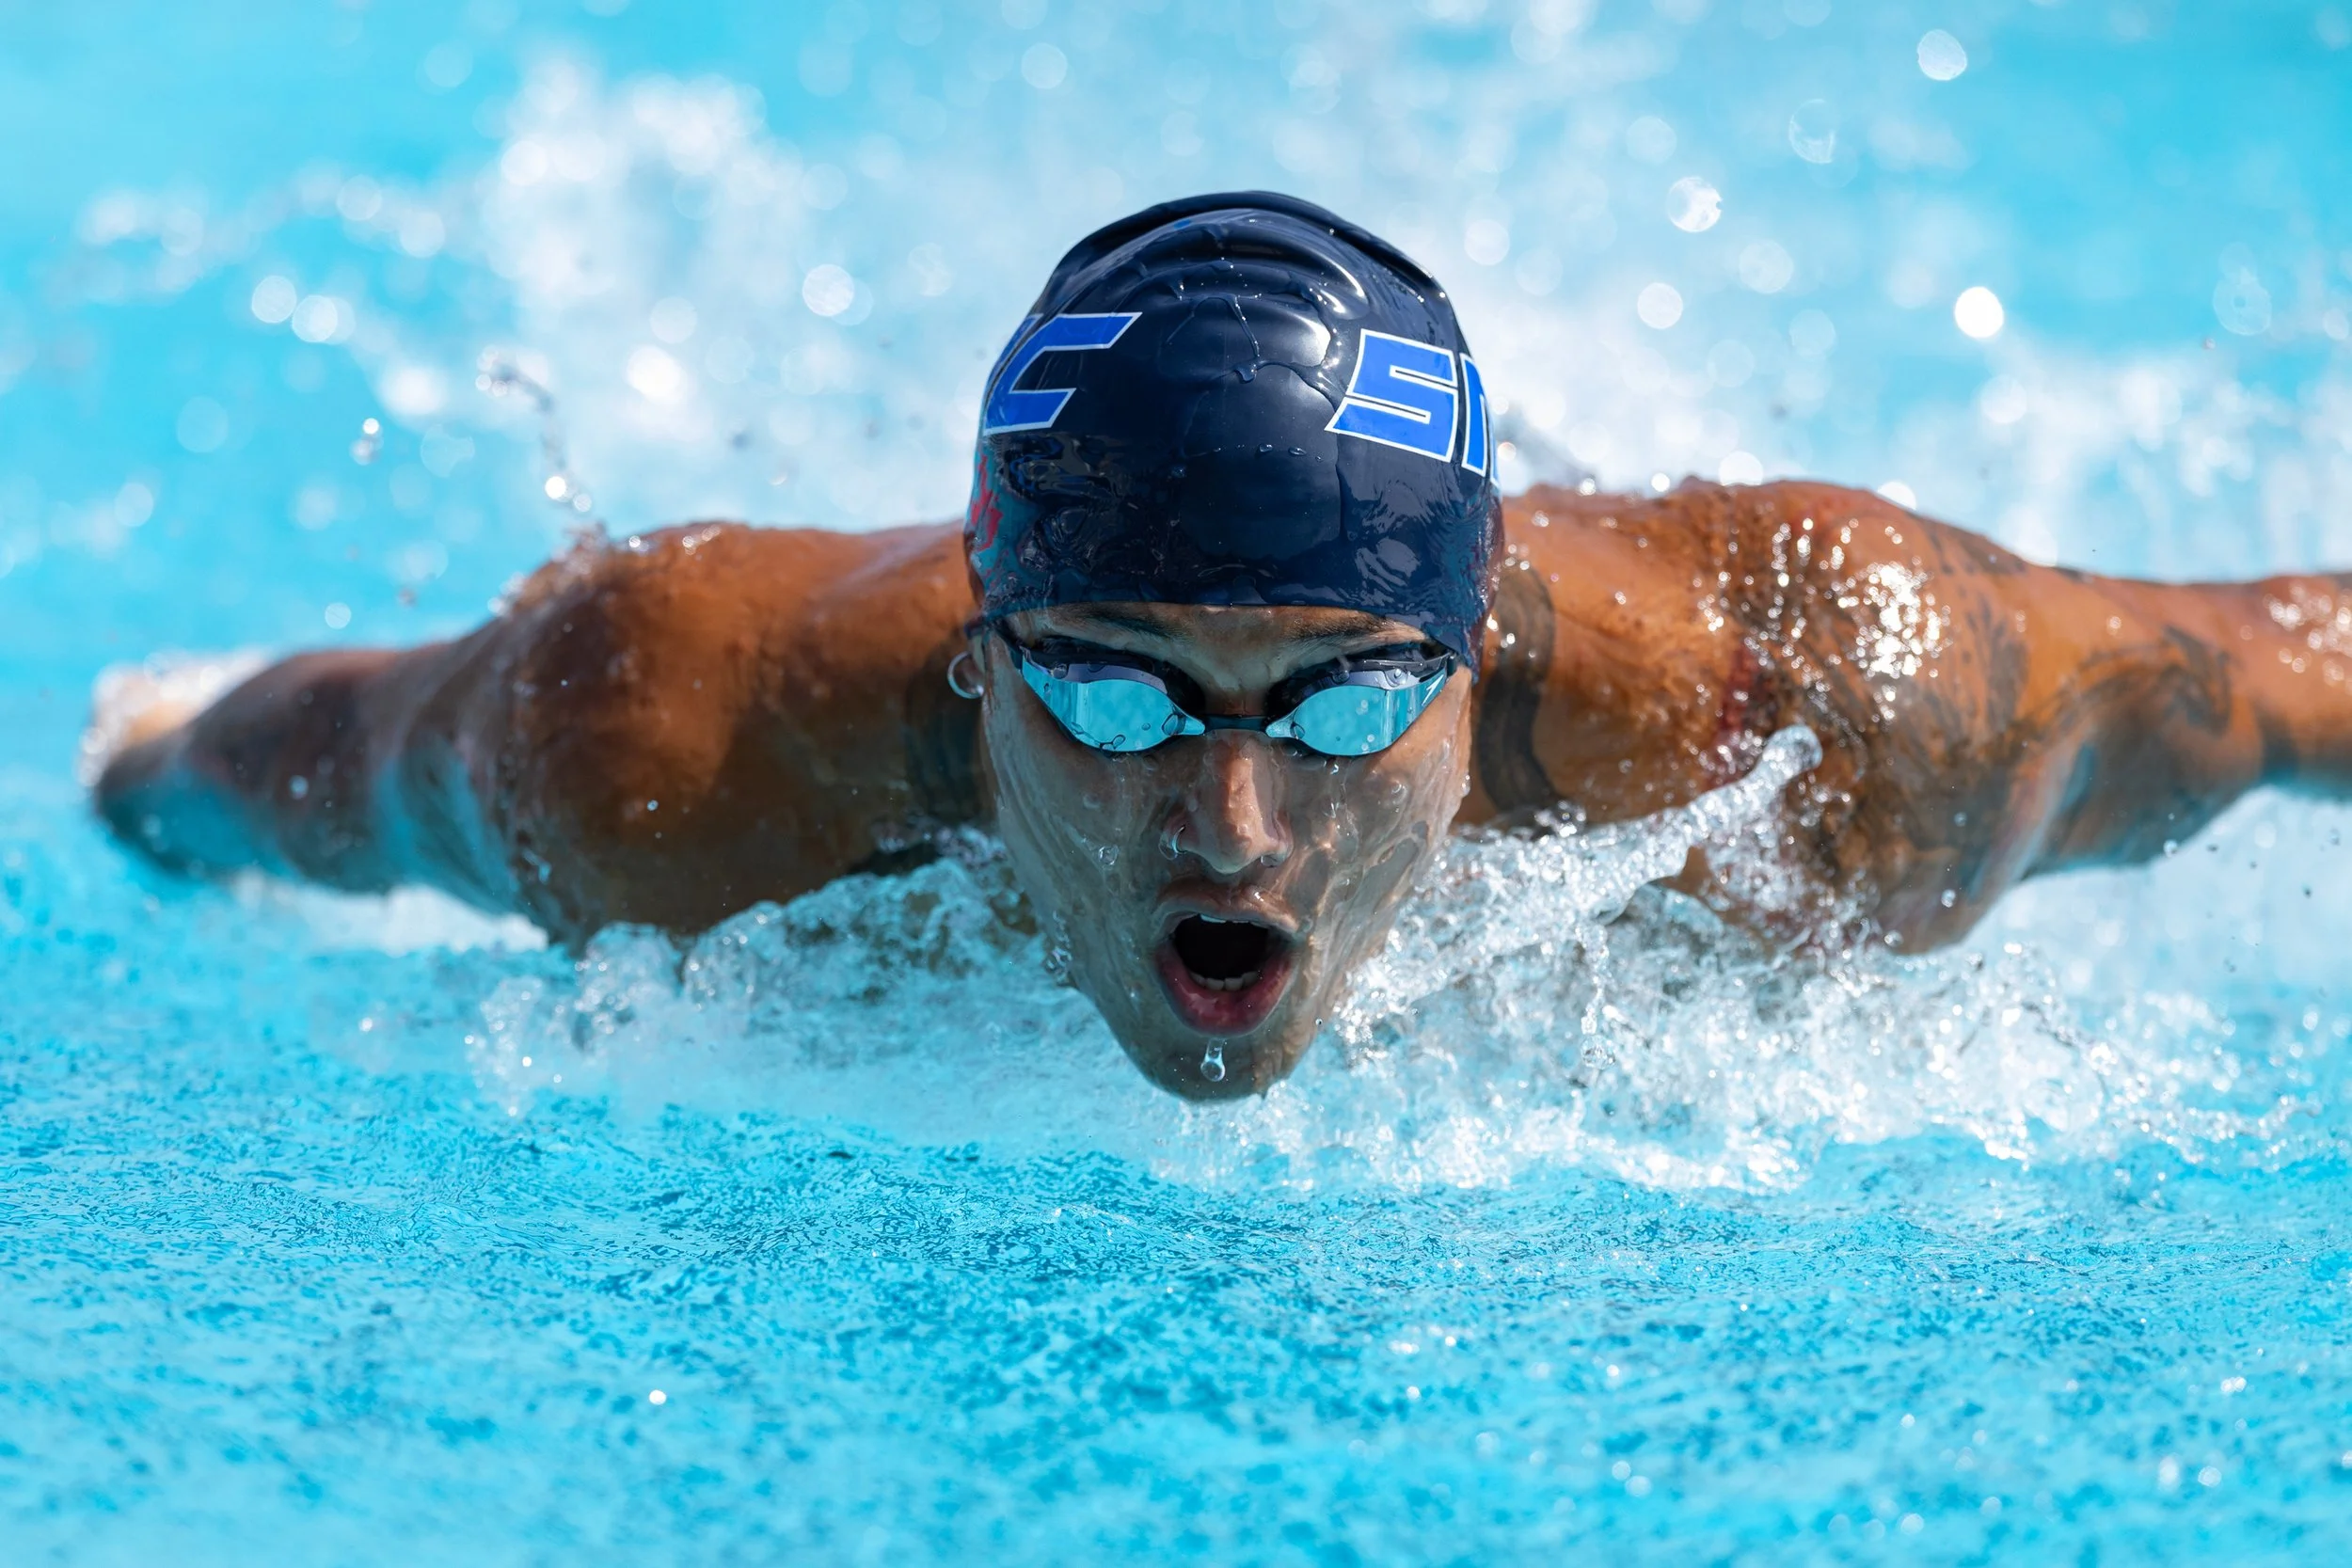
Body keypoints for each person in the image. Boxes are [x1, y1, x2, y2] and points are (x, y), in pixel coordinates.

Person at [89, 192, 2352, 1100]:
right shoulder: (671, 745)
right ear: (981, 646)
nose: (1231, 816)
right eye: (1108, 687)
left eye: (1348, 700)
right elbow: (320, 753)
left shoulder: (1841, 723)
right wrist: (147, 770)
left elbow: (2280, 661)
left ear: (1467, 653)